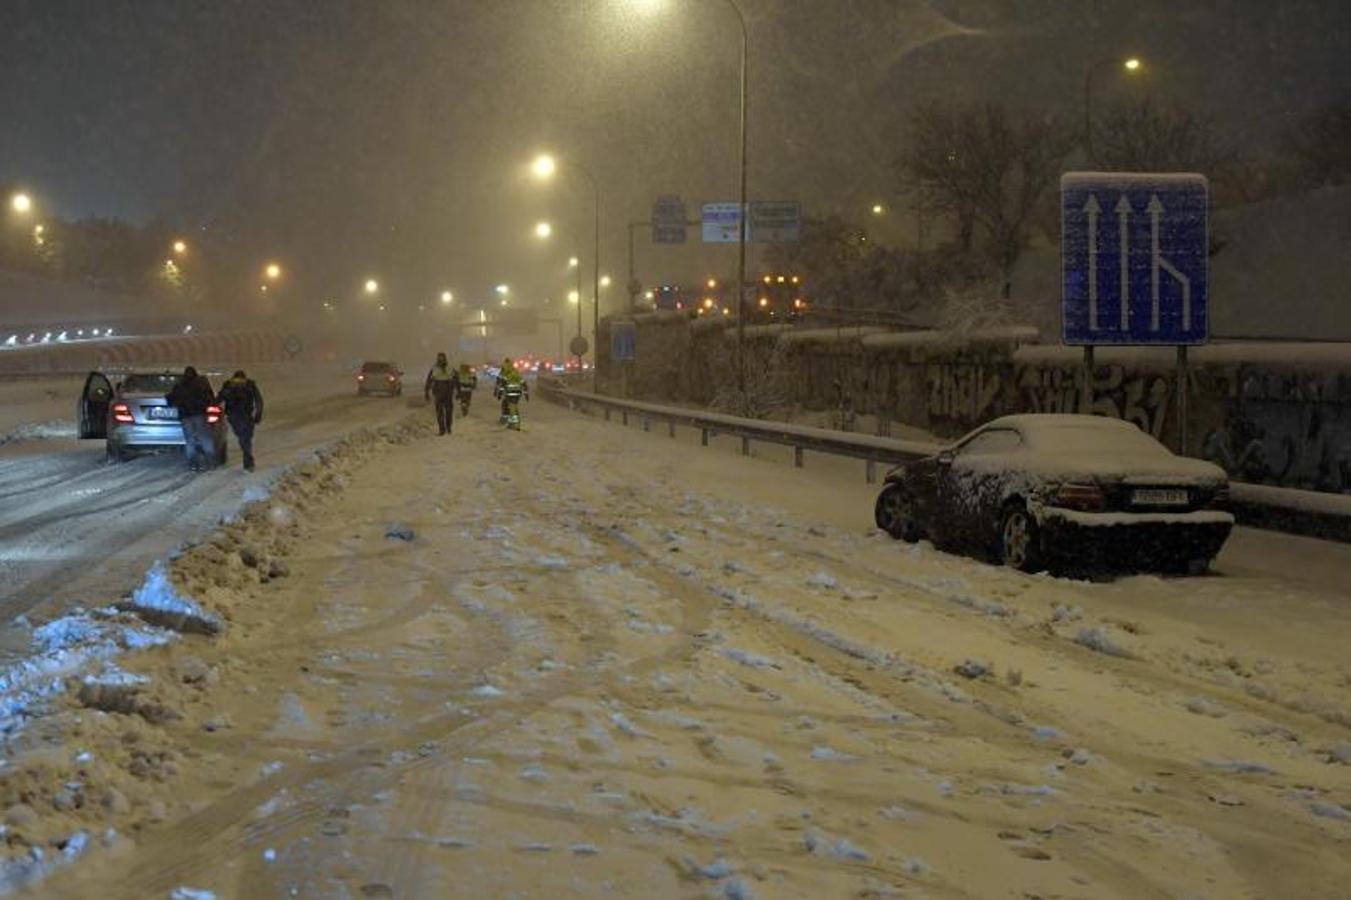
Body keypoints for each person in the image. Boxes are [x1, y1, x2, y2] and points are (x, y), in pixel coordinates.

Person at [166, 365, 216, 472]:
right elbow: (210, 399)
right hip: (199, 415)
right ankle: (211, 462)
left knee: (190, 440)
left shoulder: (179, 386)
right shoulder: (201, 385)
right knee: (205, 438)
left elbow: (171, 400)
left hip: (185, 416)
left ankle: (193, 464)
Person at [216, 369, 264, 471]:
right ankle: (248, 461)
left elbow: (219, 399)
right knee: (246, 438)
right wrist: (258, 415)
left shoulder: (229, 385)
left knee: (242, 438)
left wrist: (209, 406)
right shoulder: (250, 385)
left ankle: (248, 461)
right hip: (246, 415)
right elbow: (259, 400)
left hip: (233, 416)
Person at [424, 352, 460, 435]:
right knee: (440, 413)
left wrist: (459, 391)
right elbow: (429, 381)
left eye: (442, 358)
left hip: (447, 394)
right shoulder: (434, 369)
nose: (441, 360)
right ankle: (442, 430)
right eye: (439, 358)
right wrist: (426, 392)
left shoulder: (450, 368)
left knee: (448, 412)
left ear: (445, 358)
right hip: (439, 394)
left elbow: (457, 380)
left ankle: (448, 428)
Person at [494, 359, 528, 430]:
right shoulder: (516, 372)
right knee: (513, 407)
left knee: (509, 406)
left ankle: (514, 424)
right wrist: (526, 393)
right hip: (517, 393)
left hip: (509, 392)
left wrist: (498, 393)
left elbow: (501, 383)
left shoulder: (506, 373)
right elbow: (523, 383)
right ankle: (512, 423)